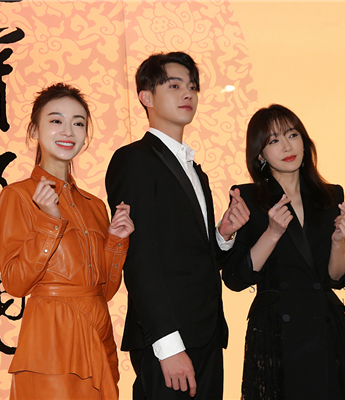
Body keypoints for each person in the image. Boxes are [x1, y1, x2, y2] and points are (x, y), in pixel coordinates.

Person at [105, 51, 249, 400]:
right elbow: (139, 258)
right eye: (174, 85)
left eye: (193, 87)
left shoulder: (196, 171)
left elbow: (194, 257)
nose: (188, 93)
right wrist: (168, 346)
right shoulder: (134, 159)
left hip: (206, 334)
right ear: (146, 97)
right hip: (168, 341)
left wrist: (223, 234)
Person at [222, 104, 345, 400]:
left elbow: (334, 277)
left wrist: (338, 241)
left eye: (292, 135)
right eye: (274, 140)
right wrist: (272, 233)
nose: (287, 147)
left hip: (325, 325)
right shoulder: (247, 197)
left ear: (305, 141)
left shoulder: (330, 195)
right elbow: (236, 278)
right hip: (276, 329)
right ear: (260, 155)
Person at [0, 83, 134, 400]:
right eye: (56, 120)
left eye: (78, 122)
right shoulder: (18, 196)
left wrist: (116, 241)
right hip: (50, 338)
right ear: (34, 129)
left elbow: (104, 291)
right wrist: (49, 222)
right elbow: (15, 283)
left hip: (98, 332)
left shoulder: (95, 205)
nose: (68, 131)